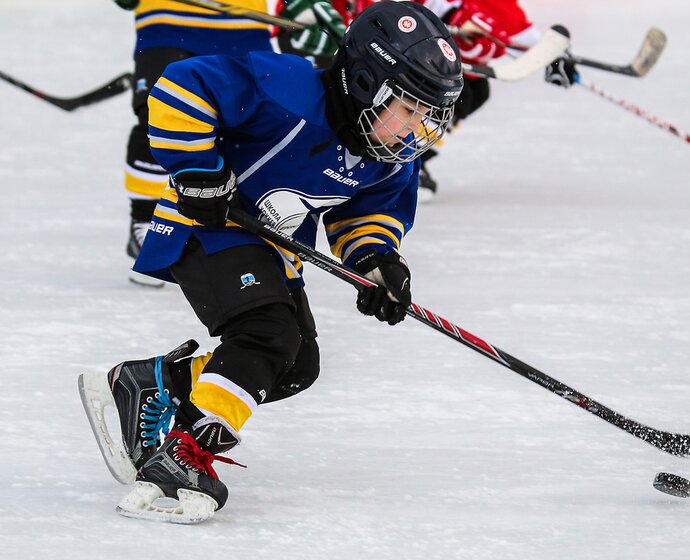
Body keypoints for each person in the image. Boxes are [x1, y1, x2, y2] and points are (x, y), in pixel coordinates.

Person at [79, 0, 464, 524]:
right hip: (206, 225)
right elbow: (181, 86)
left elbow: (366, 214)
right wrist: (197, 170)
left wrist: (376, 266)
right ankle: (187, 452)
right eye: (408, 108)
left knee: (296, 366)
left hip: (271, 246)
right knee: (266, 335)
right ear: (367, 82)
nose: (416, 129)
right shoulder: (287, 87)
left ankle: (153, 382)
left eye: (427, 116)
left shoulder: (386, 155)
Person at [329, 0, 578, 201]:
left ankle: (401, 162)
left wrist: (547, 53)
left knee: (466, 89)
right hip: (340, 58)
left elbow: (507, 22)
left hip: (384, 60)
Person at [113, 0, 275, 287]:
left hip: (245, 26)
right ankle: (146, 220)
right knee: (159, 113)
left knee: (250, 125)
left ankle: (231, 233)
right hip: (165, 21)